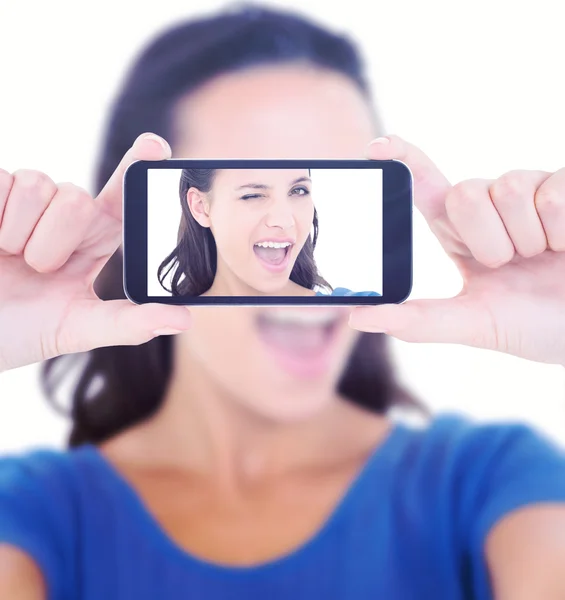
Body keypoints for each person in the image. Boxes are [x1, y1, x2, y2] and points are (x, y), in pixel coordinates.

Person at [0, 4, 564, 599]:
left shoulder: (489, 481)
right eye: (250, 186)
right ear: (198, 204)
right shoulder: (35, 512)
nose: (284, 219)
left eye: (302, 185)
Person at [158, 167, 332, 296]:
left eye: (298, 190)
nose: (285, 222)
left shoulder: (350, 318)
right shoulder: (156, 331)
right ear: (201, 207)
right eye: (253, 195)